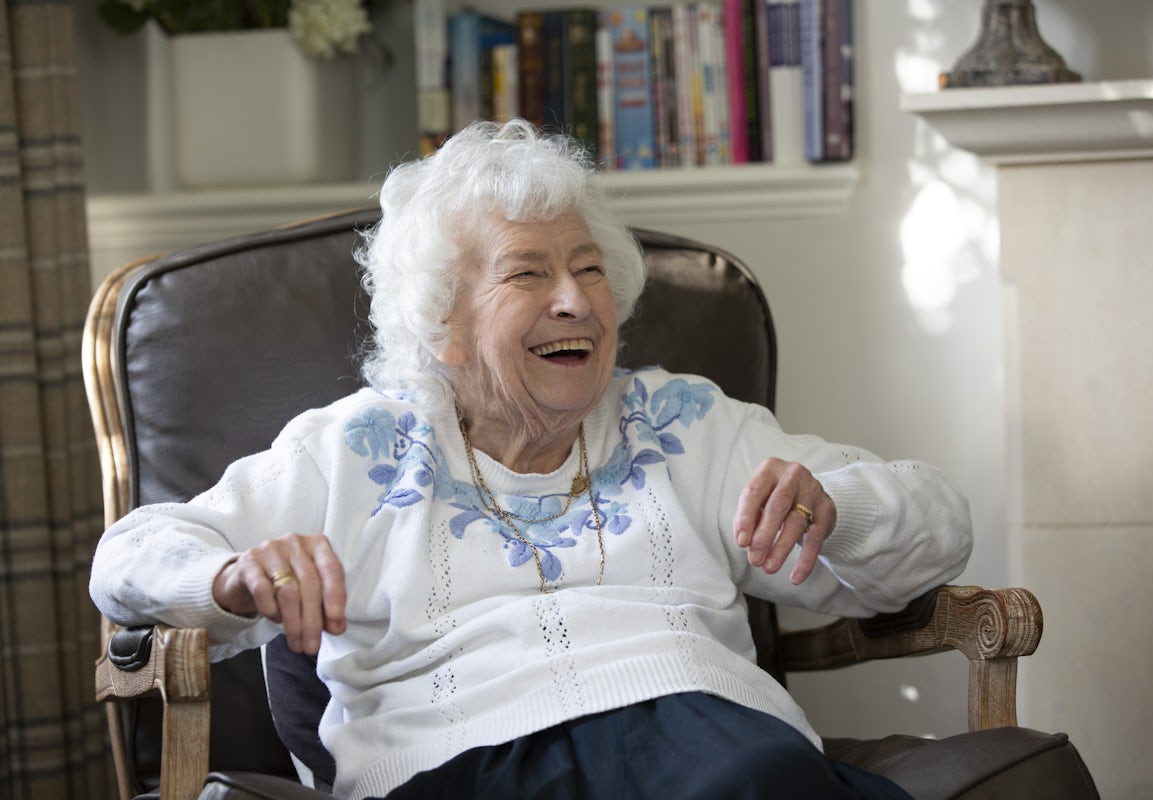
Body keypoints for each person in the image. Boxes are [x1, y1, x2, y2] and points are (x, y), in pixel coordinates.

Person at [90, 119, 973, 800]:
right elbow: (127, 556)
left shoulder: (681, 422)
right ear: (443, 323)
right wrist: (233, 578)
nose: (573, 301)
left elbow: (938, 518)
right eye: (525, 275)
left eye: (589, 270)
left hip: (715, 749)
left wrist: (836, 509)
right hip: (459, 760)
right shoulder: (358, 450)